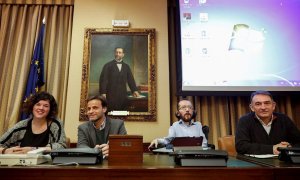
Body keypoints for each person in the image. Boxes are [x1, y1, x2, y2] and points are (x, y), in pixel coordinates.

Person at [235, 90, 300, 155]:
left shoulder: (284, 119)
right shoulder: (244, 120)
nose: (263, 107)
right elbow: (241, 146)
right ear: (252, 107)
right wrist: (272, 149)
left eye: (267, 103)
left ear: (273, 105)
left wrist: (289, 147)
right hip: (254, 163)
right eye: (258, 104)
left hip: (282, 162)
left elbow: (298, 142)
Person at [0, 92, 67, 154]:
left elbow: (62, 146)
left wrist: (33, 150)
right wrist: (5, 151)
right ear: (32, 107)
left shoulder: (55, 124)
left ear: (50, 109)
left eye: (46, 106)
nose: (41, 108)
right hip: (22, 165)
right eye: (38, 104)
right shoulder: (21, 126)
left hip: (47, 165)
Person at [99, 47, 140, 112]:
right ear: (114, 53)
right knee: (111, 113)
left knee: (122, 113)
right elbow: (103, 80)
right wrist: (103, 93)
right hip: (110, 95)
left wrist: (134, 90)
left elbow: (130, 80)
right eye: (116, 52)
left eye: (120, 52)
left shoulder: (126, 66)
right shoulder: (107, 65)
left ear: (123, 54)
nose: (118, 54)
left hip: (123, 95)